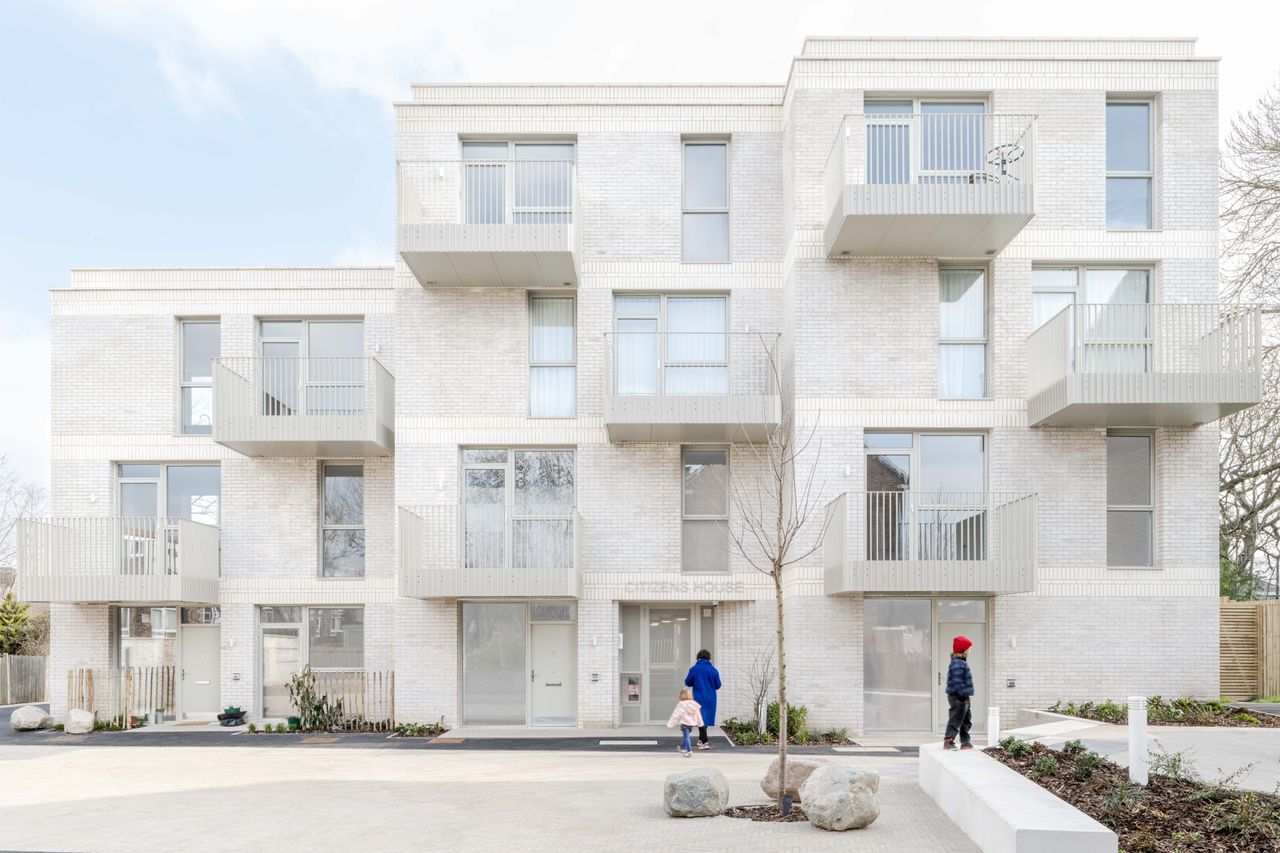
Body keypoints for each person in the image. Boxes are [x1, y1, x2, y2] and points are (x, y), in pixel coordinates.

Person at [684, 649, 721, 750]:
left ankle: (705, 742)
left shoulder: (694, 669)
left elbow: (688, 682)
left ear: (698, 658)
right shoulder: (713, 670)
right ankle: (701, 739)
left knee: (701, 720)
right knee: (705, 719)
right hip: (710, 698)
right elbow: (718, 685)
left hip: (698, 698)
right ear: (709, 658)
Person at [944, 635, 975, 751]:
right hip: (959, 696)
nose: (971, 651)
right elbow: (957, 681)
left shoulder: (961, 662)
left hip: (963, 695)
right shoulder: (958, 663)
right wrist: (962, 696)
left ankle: (965, 742)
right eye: (969, 648)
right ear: (964, 650)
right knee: (956, 719)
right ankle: (948, 741)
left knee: (966, 719)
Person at [666, 687, 703, 758]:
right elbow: (698, 714)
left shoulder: (681, 704)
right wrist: (700, 723)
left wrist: (671, 723)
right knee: (686, 736)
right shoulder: (694, 704)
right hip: (691, 724)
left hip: (685, 723)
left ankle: (689, 751)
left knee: (686, 737)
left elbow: (676, 714)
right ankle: (683, 747)